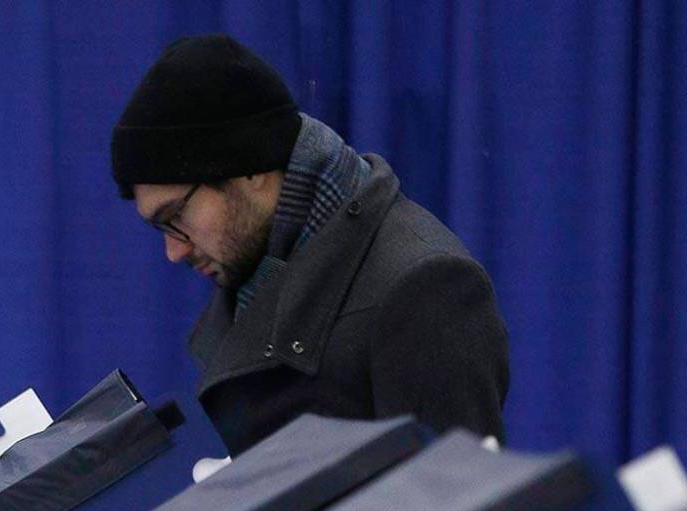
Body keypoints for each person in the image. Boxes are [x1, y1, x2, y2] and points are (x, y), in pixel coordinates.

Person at [112, 33, 509, 455]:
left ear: (251, 171)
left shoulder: (425, 286)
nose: (173, 252)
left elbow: (453, 508)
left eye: (176, 216)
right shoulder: (259, 270)